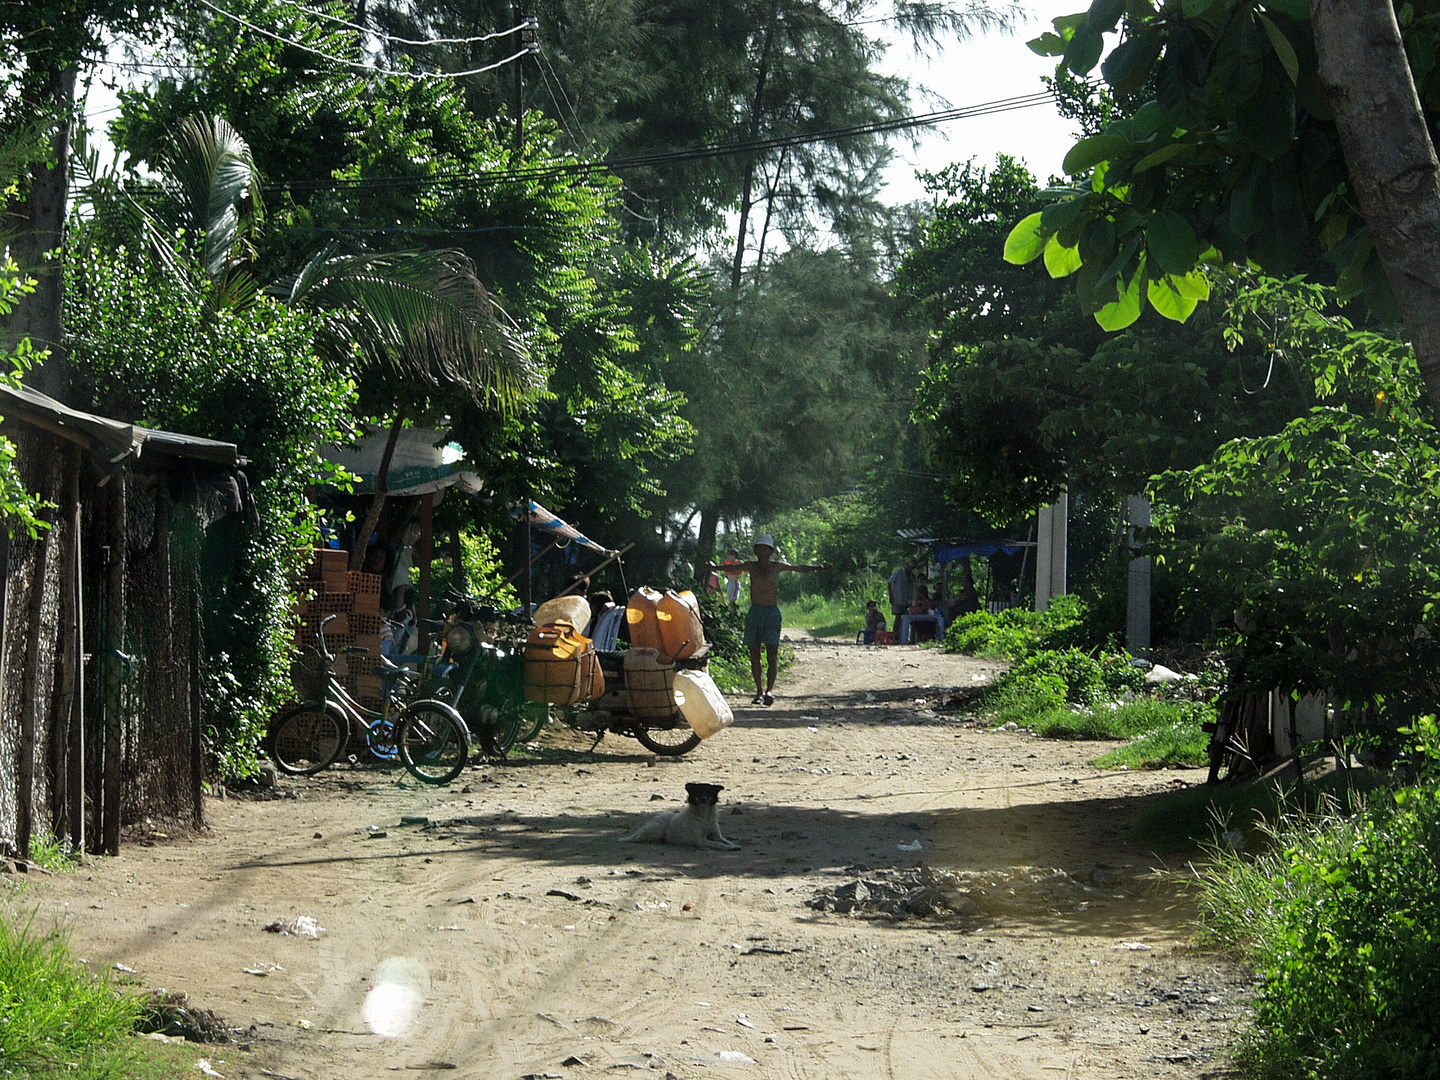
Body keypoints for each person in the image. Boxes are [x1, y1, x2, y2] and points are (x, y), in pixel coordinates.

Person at [705, 534, 828, 706]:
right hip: (755, 612)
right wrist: (714, 567)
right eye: (759, 549)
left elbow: (798, 568)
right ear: (756, 551)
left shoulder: (777, 567)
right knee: (754, 654)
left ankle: (770, 690)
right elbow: (733, 569)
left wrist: (819, 567)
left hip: (771, 613)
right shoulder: (751, 566)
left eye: (765, 549)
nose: (762, 552)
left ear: (770, 551)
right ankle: (759, 691)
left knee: (772, 655)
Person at [887, 557, 917, 637]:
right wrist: (891, 596)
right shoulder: (899, 572)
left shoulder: (912, 576)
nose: (911, 568)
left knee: (904, 619)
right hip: (897, 598)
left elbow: (913, 588)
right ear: (907, 565)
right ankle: (894, 635)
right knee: (897, 617)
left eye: (913, 567)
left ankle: (901, 635)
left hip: (906, 600)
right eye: (910, 566)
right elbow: (889, 582)